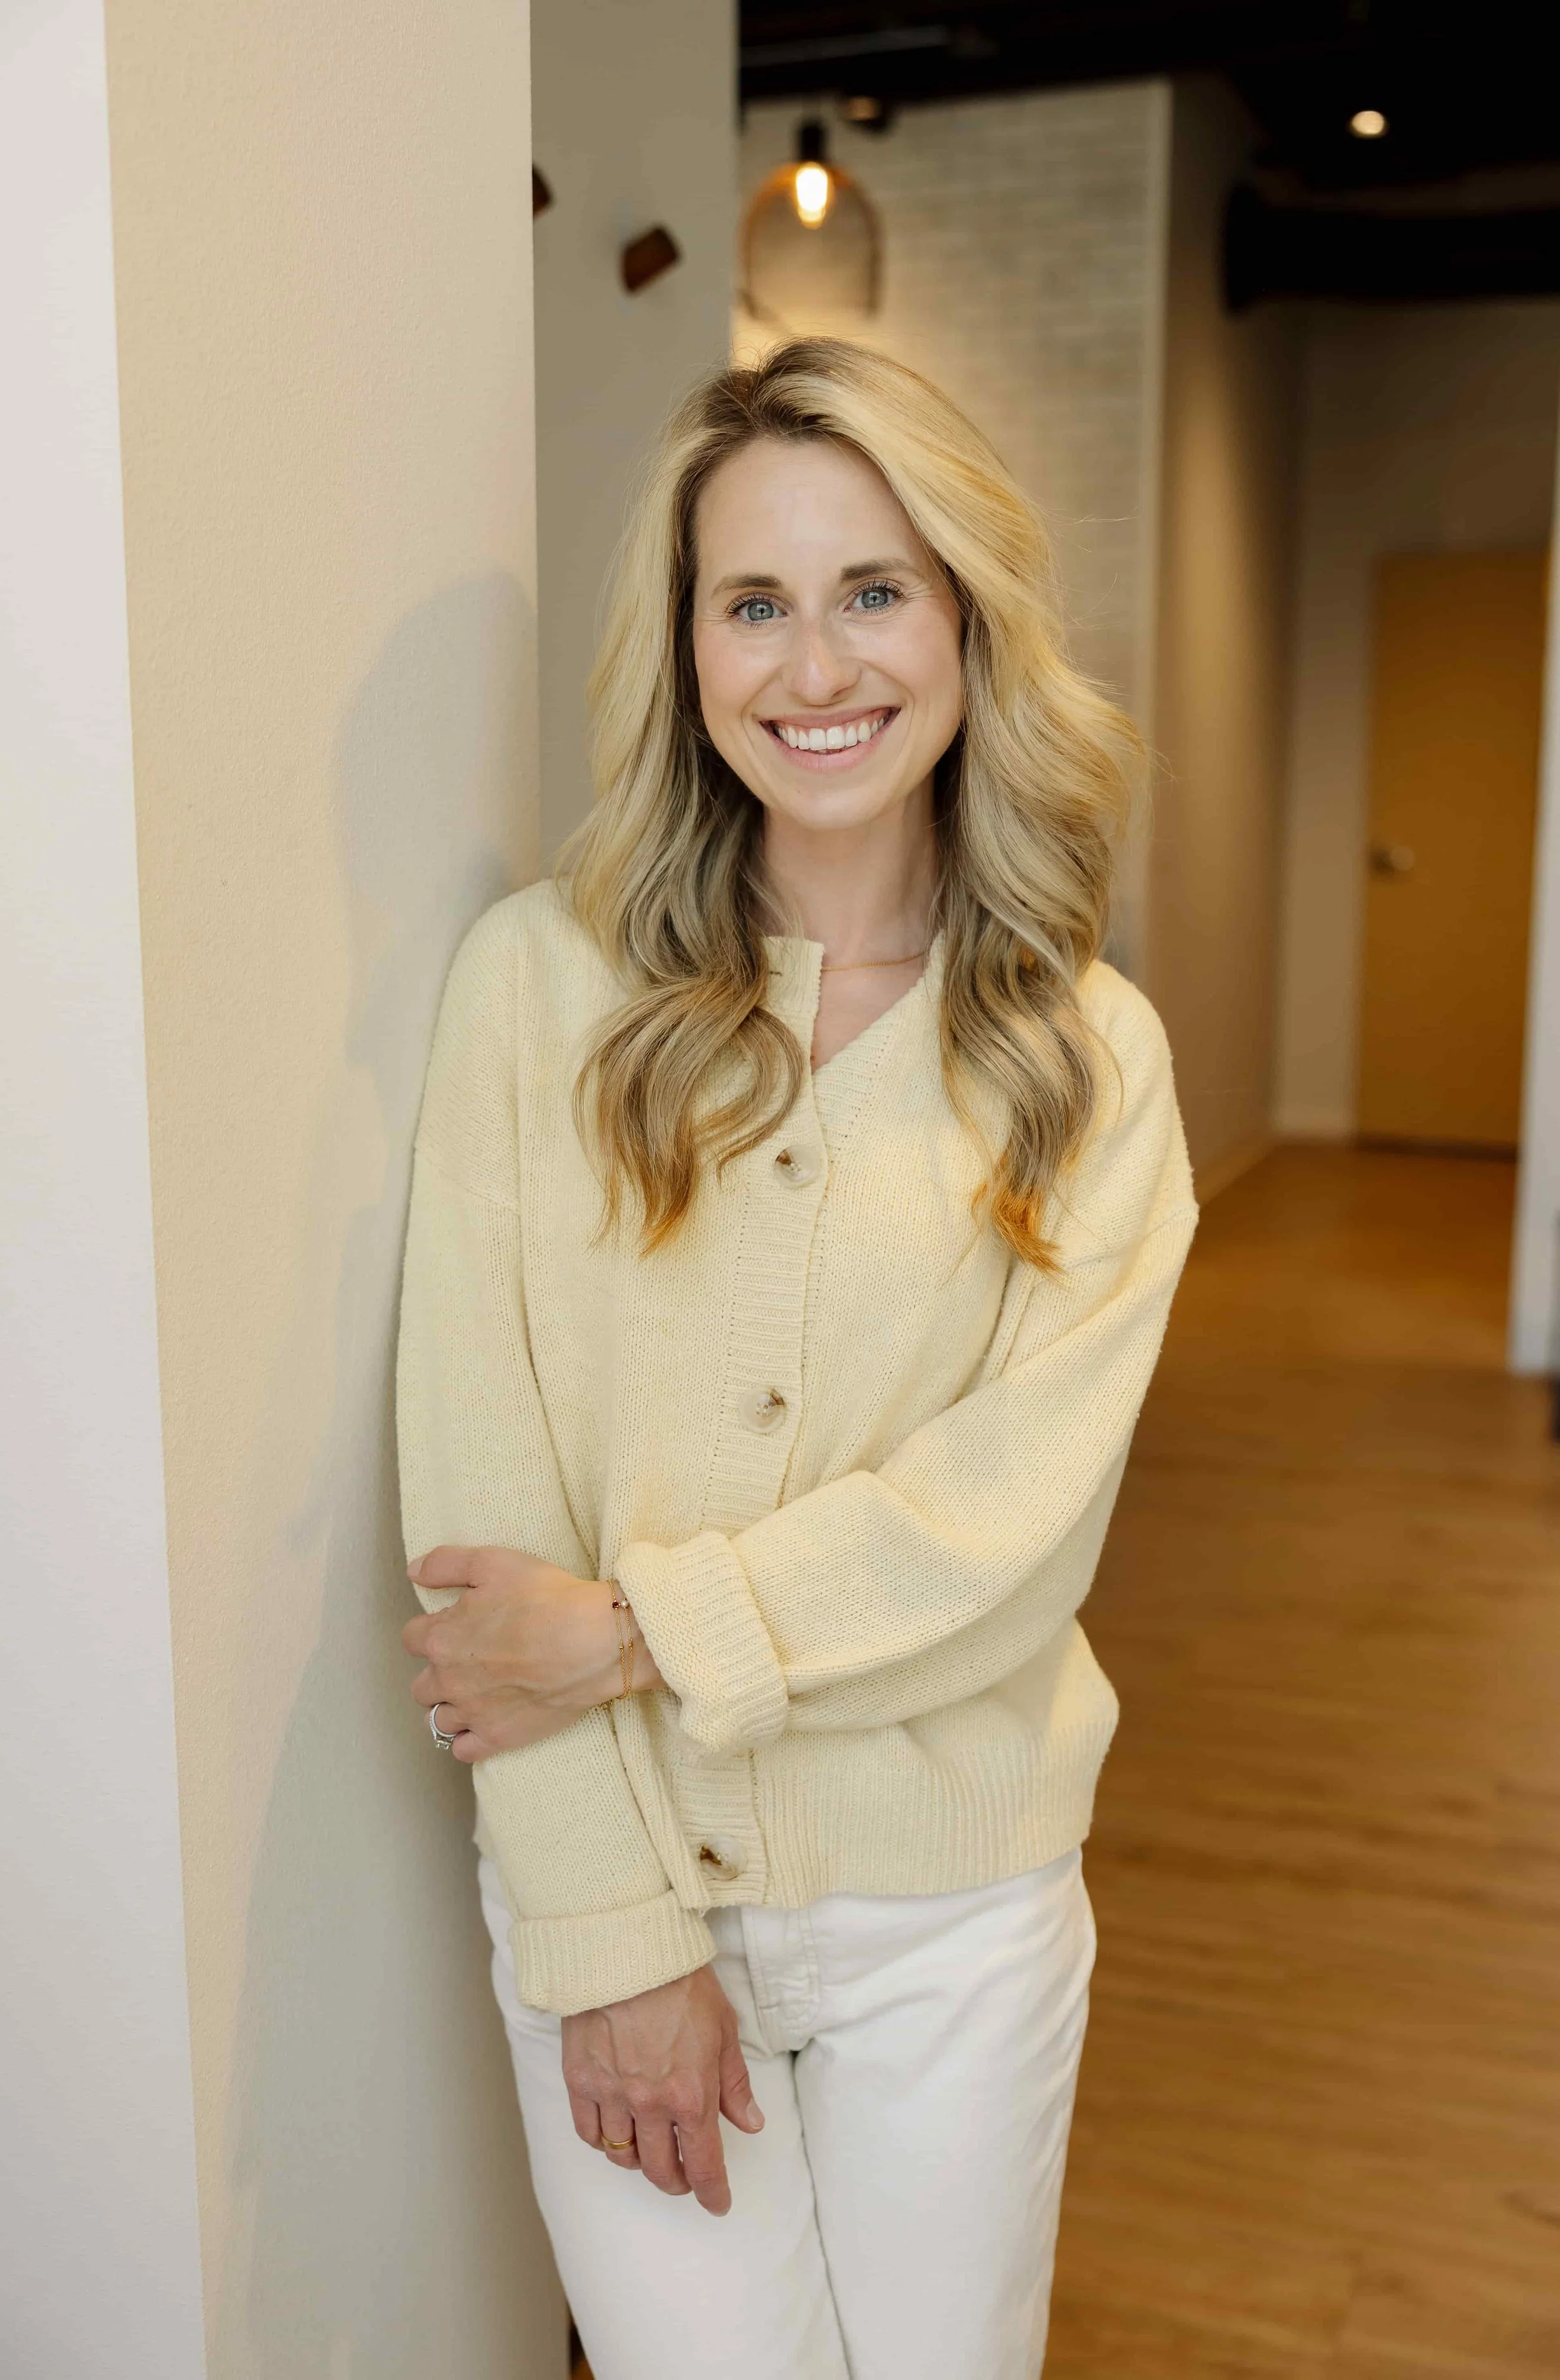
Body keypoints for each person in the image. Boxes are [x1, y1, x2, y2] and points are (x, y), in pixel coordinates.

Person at [395, 338, 1196, 2380]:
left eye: (873, 589)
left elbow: (1001, 1533)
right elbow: (482, 1537)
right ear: (683, 648)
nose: (812, 661)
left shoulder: (1088, 1058)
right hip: (621, 1890)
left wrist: (639, 1628)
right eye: (751, 599)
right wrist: (611, 1940)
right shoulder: (535, 985)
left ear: (963, 621)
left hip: (955, 1919)